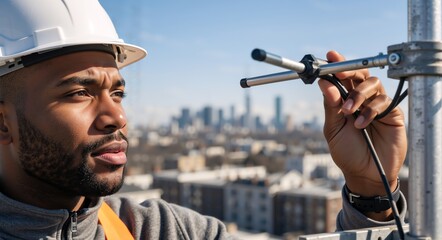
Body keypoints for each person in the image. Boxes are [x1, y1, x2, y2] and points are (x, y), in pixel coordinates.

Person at [0, 0, 407, 239]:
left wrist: (371, 194)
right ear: (3, 123)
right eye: (79, 93)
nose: (117, 116)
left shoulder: (163, 231)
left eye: (118, 92)